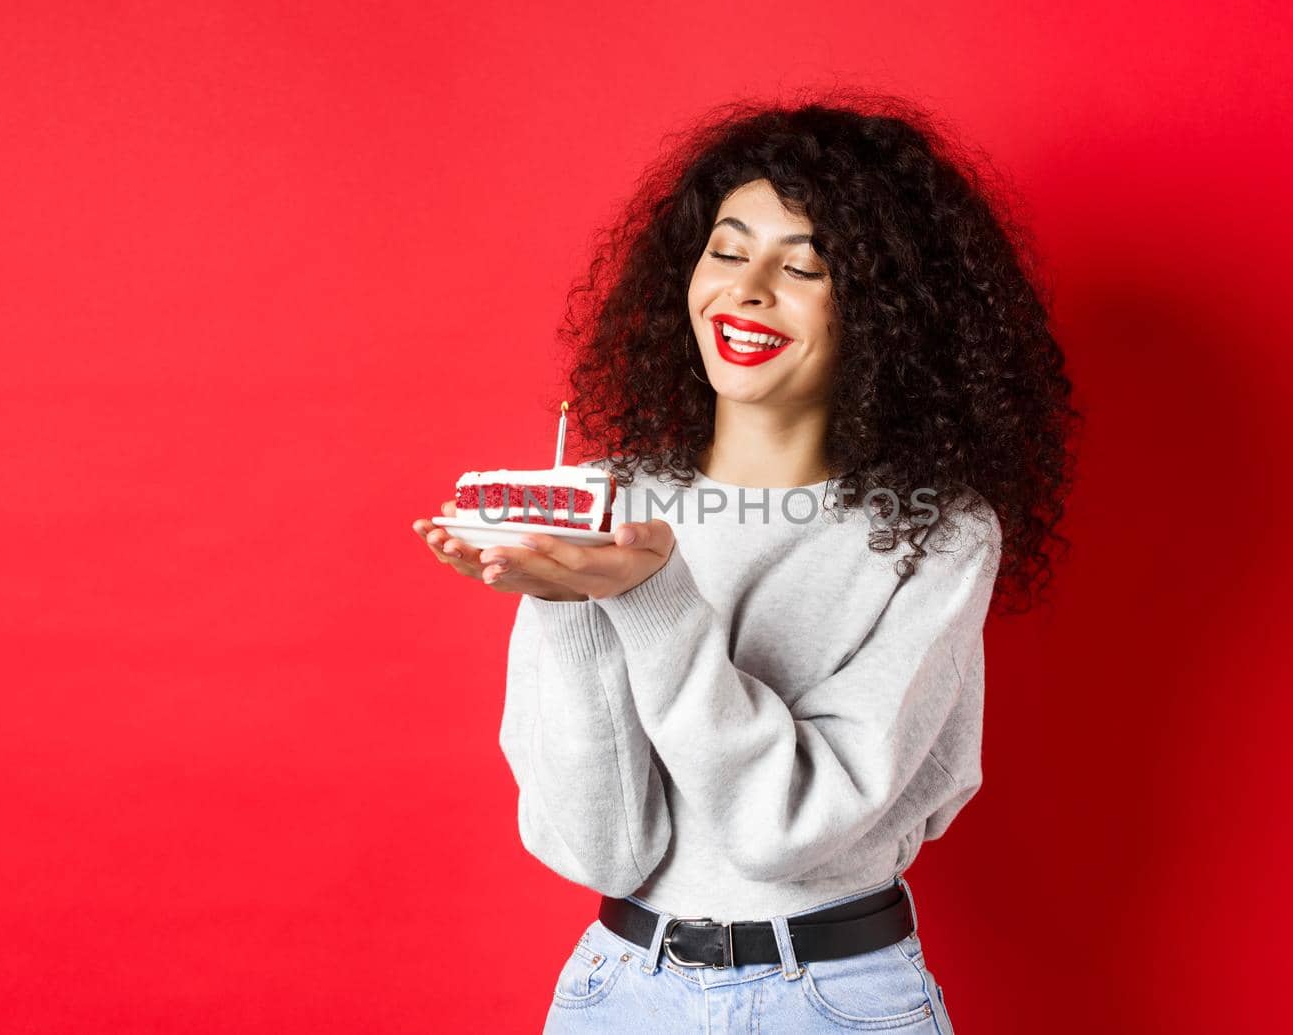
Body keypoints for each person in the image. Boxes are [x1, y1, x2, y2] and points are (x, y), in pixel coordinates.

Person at [413, 92, 1079, 1034]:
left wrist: (649, 596)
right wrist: (565, 599)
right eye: (727, 250)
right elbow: (600, 847)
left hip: (837, 998)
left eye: (803, 266)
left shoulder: (938, 534)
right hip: (620, 992)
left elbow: (784, 831)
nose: (748, 288)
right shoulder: (606, 504)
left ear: (888, 311)